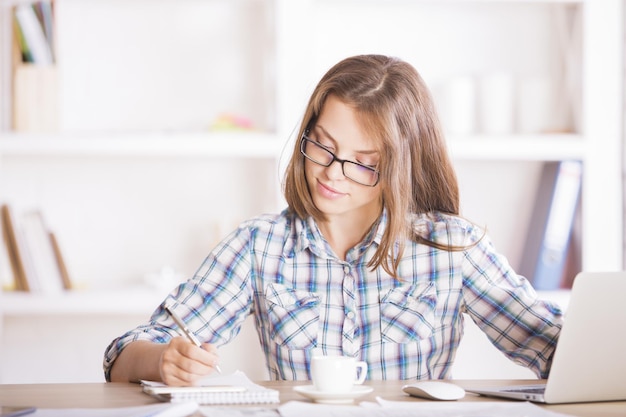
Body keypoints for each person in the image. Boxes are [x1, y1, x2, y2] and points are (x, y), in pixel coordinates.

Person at [104, 54, 563, 386]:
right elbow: (124, 353)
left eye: (363, 162)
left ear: (401, 169)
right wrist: (163, 359)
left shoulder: (450, 247)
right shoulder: (260, 245)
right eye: (322, 145)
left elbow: (554, 348)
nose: (330, 173)